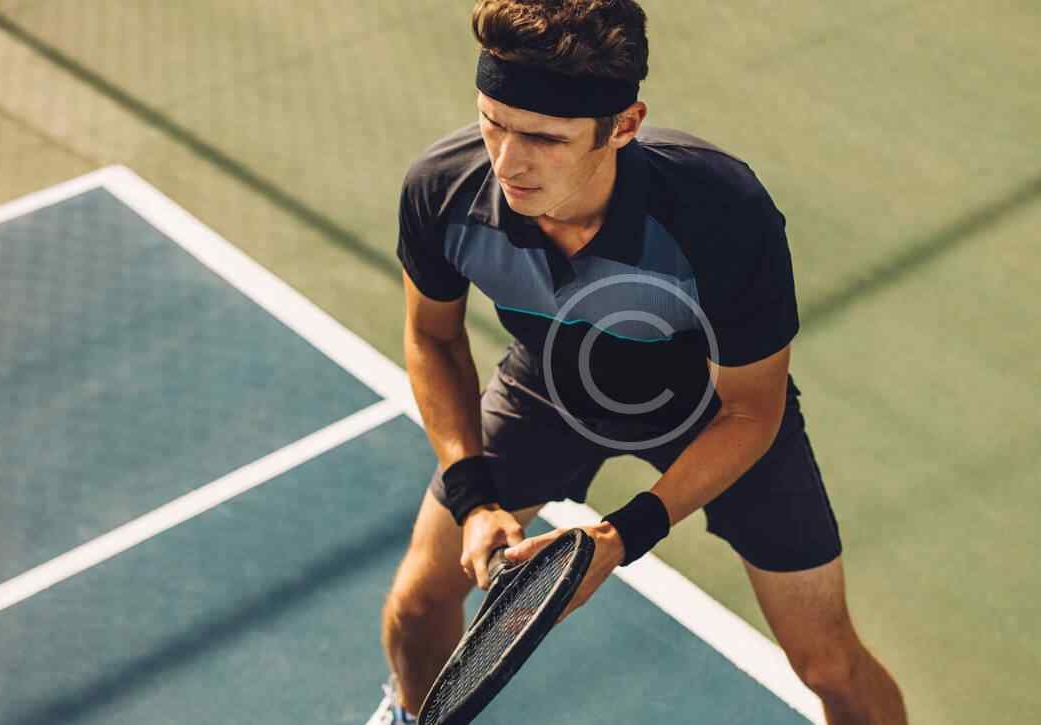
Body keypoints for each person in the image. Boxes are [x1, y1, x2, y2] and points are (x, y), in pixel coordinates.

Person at [372, 1, 906, 723]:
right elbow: (433, 338)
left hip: (711, 415)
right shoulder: (443, 189)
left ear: (624, 126)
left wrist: (622, 536)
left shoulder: (722, 212)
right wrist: (472, 496)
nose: (507, 162)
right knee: (418, 604)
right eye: (492, 122)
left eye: (544, 138)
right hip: (546, 392)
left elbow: (753, 408)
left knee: (828, 663)